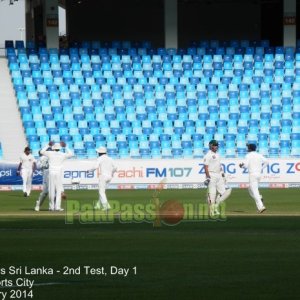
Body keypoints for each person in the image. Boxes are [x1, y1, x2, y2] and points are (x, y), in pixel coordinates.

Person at [40, 141, 73, 211]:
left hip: (51, 172)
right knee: (58, 190)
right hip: (58, 173)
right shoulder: (62, 154)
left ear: (53, 148)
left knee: (51, 190)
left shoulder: (50, 153)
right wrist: (66, 147)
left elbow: (41, 152)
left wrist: (48, 145)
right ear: (60, 148)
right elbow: (71, 154)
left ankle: (51, 207)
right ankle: (57, 207)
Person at [203, 140, 232, 216]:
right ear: (210, 146)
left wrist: (223, 175)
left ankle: (215, 207)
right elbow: (205, 167)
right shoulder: (208, 155)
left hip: (219, 175)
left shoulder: (218, 154)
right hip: (211, 175)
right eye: (214, 145)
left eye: (217, 145)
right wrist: (207, 177)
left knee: (226, 192)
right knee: (212, 194)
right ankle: (212, 210)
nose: (216, 146)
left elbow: (219, 166)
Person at [239, 144, 268, 213]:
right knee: (250, 189)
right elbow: (267, 162)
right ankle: (260, 197)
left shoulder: (248, 155)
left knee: (255, 191)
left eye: (248, 147)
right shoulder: (259, 155)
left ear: (249, 149)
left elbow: (245, 165)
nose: (247, 148)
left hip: (252, 175)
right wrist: (261, 168)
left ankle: (261, 207)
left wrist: (241, 166)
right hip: (259, 174)